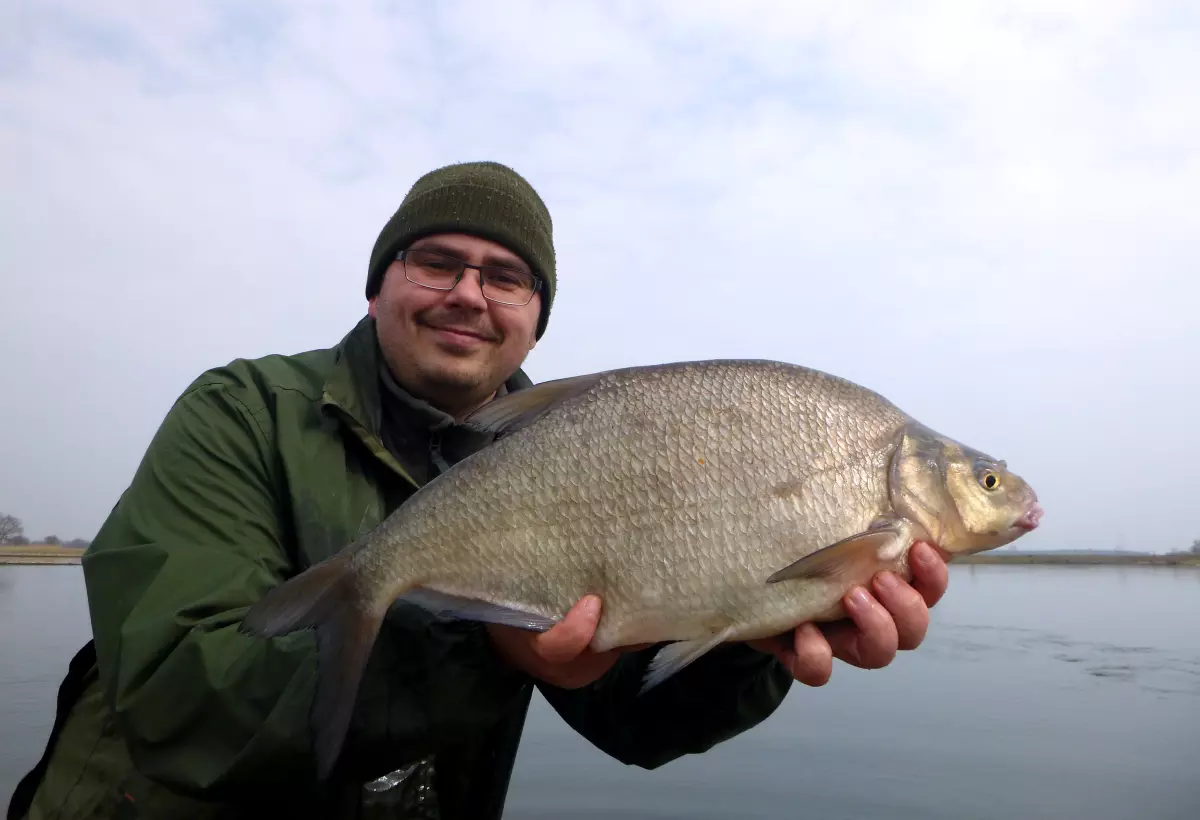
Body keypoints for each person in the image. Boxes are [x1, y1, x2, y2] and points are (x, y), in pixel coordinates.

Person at [8, 161, 949, 820]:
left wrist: (761, 637)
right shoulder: (243, 411)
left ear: (536, 321)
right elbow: (179, 698)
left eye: (506, 278)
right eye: (436, 262)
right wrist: (490, 650)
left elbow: (638, 722)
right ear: (378, 287)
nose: (470, 293)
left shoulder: (577, 449)